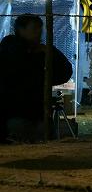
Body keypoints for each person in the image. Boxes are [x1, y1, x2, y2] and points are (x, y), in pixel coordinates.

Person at [0, 14, 73, 142]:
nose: (39, 32)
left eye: (40, 28)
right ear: (21, 30)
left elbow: (65, 72)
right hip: (15, 113)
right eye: (34, 28)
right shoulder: (9, 46)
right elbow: (16, 71)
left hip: (39, 113)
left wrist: (50, 53)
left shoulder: (43, 51)